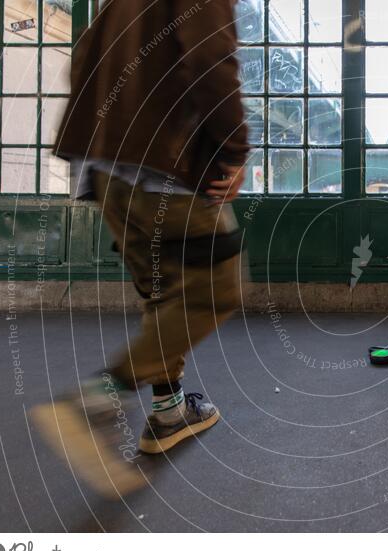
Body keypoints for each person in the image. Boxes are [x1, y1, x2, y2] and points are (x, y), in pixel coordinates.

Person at [29, 0, 248, 498]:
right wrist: (234, 149)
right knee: (211, 291)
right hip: (162, 166)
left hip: (105, 172)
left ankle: (169, 413)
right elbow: (211, 56)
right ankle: (95, 401)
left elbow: (82, 58)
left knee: (162, 292)